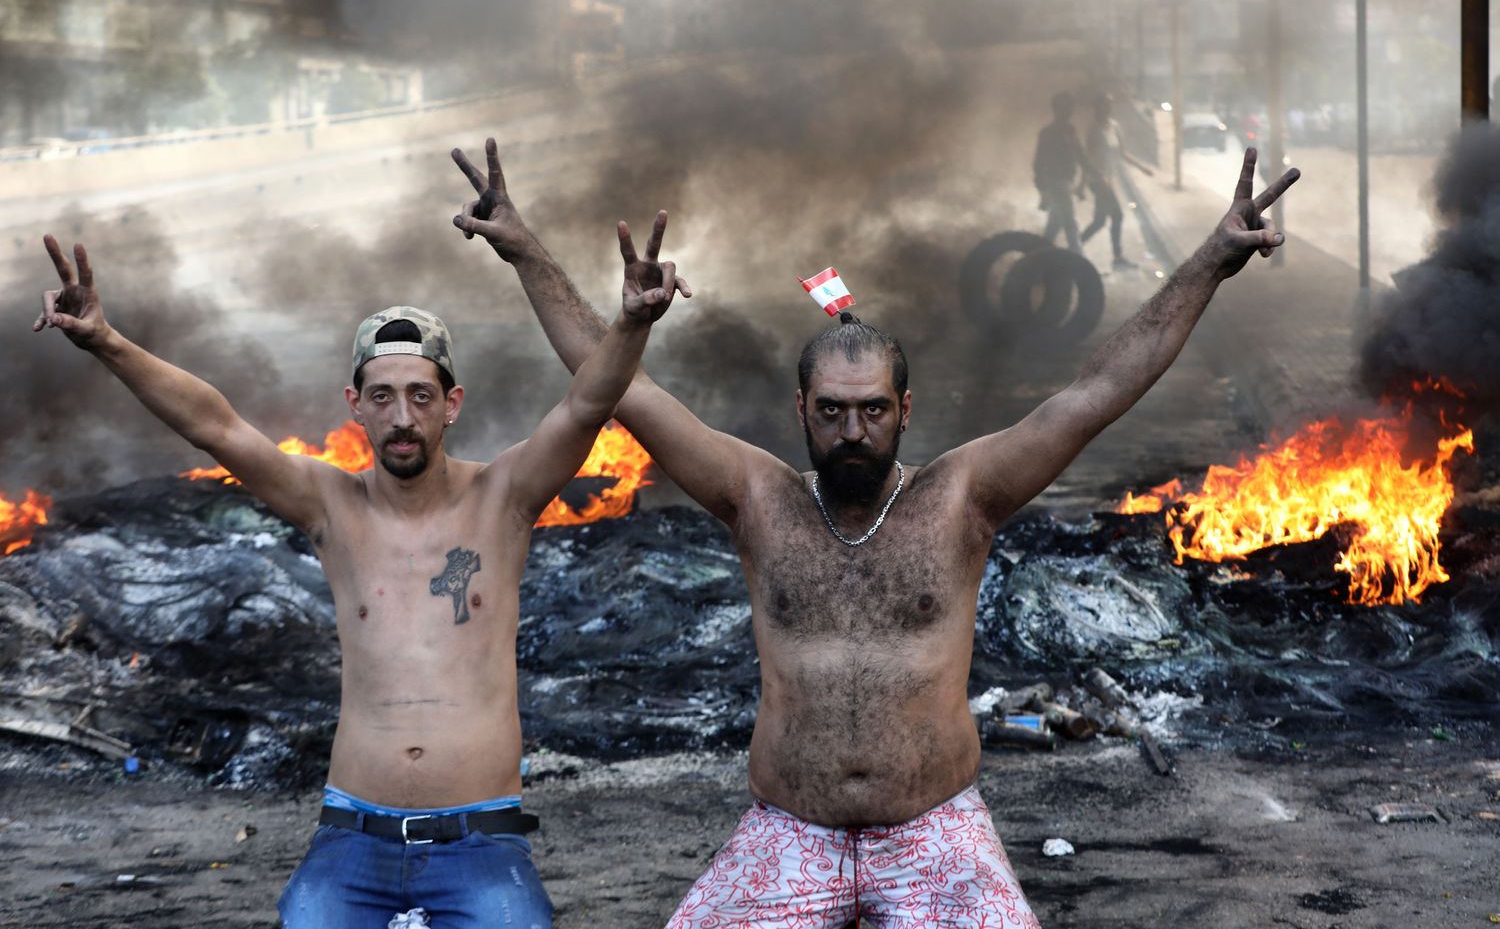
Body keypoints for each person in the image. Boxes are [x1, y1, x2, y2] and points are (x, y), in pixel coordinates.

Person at [451, 139, 1297, 927]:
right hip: (790, 831)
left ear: (904, 411)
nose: (852, 432)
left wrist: (1213, 261)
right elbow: (617, 388)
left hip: (935, 835)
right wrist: (527, 252)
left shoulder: (962, 497)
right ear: (802, 411)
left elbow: (1098, 389)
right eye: (831, 412)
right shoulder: (757, 497)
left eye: (871, 411)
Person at [30, 226, 684, 928]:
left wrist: (631, 322)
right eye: (382, 397)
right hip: (351, 837)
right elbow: (215, 428)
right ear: (355, 404)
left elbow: (587, 405)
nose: (402, 418)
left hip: (481, 841)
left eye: (420, 396)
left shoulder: (506, 499)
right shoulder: (330, 508)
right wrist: (104, 339)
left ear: (451, 403)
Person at [1079, 91, 1155, 272]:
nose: (1106, 109)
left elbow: (1122, 153)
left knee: (1099, 221)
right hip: (1098, 180)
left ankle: (1075, 247)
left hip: (1108, 180)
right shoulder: (1093, 131)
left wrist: (1142, 167)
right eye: (1103, 105)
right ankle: (1117, 258)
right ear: (1096, 108)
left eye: (1108, 105)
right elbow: (1086, 160)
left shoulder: (1114, 127)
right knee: (1117, 216)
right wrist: (1082, 184)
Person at [1033, 90, 1098, 253]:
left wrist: (1095, 173)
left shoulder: (1070, 131)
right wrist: (1043, 191)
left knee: (1054, 225)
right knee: (1070, 224)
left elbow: (1081, 155)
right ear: (1057, 109)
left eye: (1070, 108)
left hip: (1066, 182)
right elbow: (1039, 163)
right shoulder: (1048, 133)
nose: (1069, 112)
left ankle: (1037, 260)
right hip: (1055, 183)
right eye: (1066, 108)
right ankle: (1079, 264)